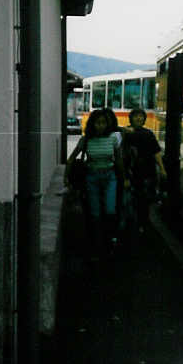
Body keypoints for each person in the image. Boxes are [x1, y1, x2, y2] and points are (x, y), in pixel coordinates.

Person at [64, 108, 128, 258]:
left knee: (110, 209)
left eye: (103, 123)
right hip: (91, 178)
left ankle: (110, 239)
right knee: (95, 213)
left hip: (110, 177)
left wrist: (124, 180)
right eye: (97, 123)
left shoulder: (113, 139)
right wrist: (66, 177)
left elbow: (118, 161)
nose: (100, 126)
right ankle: (96, 242)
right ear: (92, 124)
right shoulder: (86, 140)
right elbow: (71, 158)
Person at [124, 107, 166, 230]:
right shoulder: (125, 133)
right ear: (131, 118)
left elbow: (156, 153)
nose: (139, 118)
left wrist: (162, 169)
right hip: (131, 172)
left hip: (147, 171)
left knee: (144, 200)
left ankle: (142, 224)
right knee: (132, 200)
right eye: (136, 116)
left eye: (141, 116)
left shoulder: (149, 134)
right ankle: (134, 224)